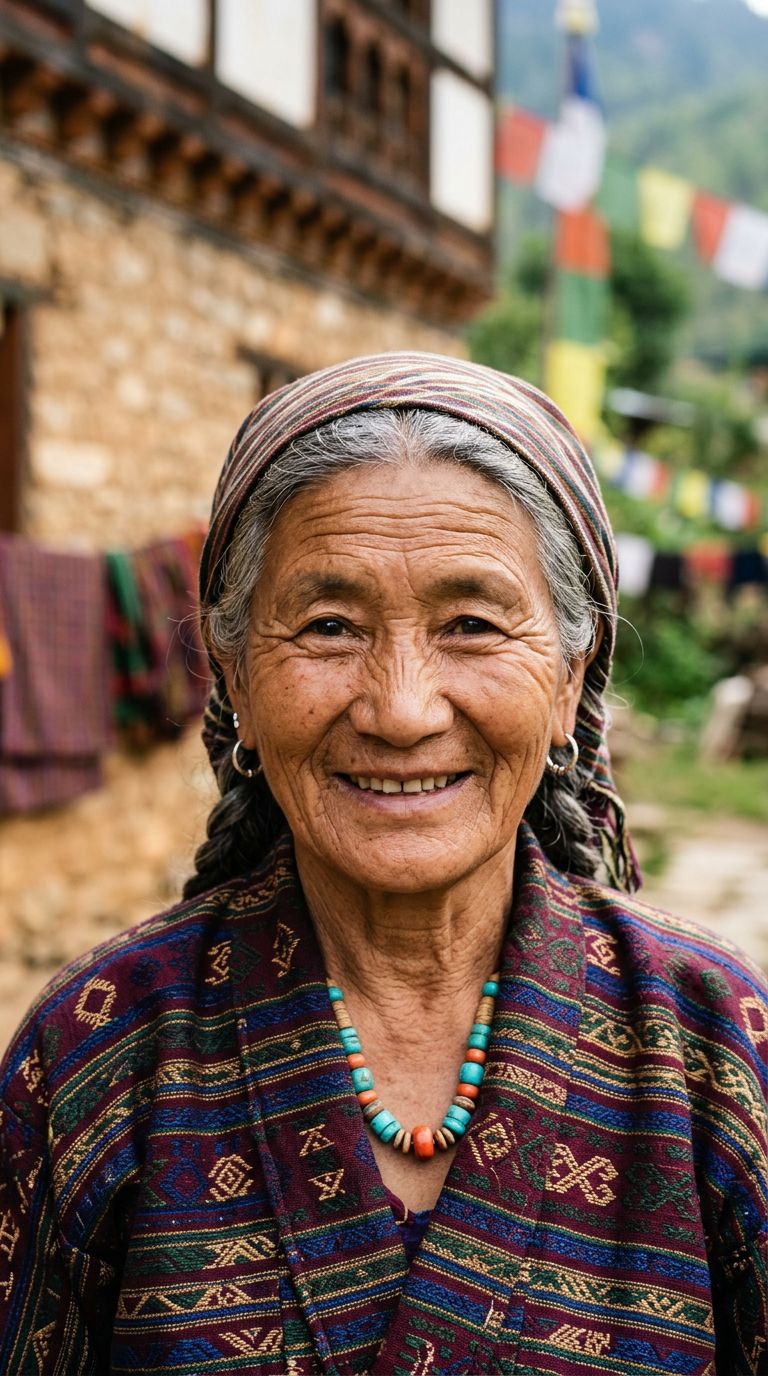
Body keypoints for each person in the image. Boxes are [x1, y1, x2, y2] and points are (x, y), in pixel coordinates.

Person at [1, 352, 766, 1375]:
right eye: (328, 626)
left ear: (568, 676)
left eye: (472, 625)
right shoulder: (96, 1056)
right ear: (233, 675)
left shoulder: (713, 1046)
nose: (402, 709)